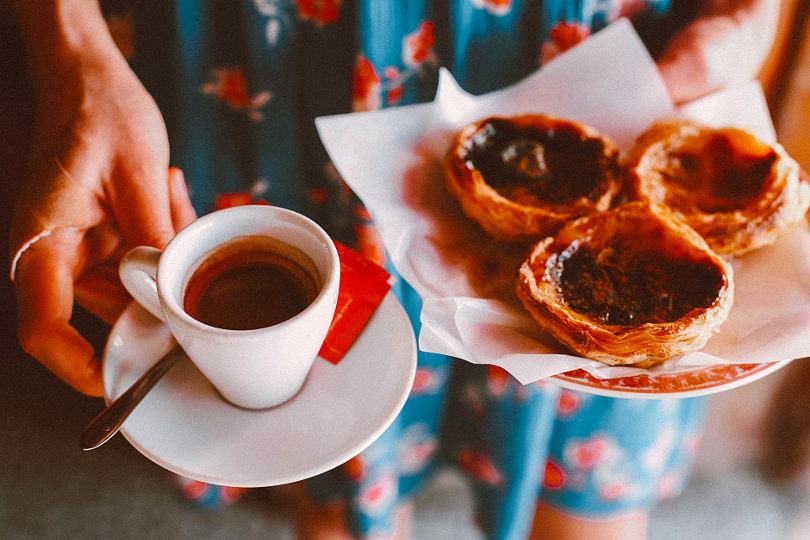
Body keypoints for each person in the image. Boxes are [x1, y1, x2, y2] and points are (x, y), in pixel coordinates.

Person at [6, 0, 780, 538]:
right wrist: (72, 52)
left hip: (590, 46)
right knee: (332, 464)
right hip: (268, 56)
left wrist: (752, 15)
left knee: (591, 490)